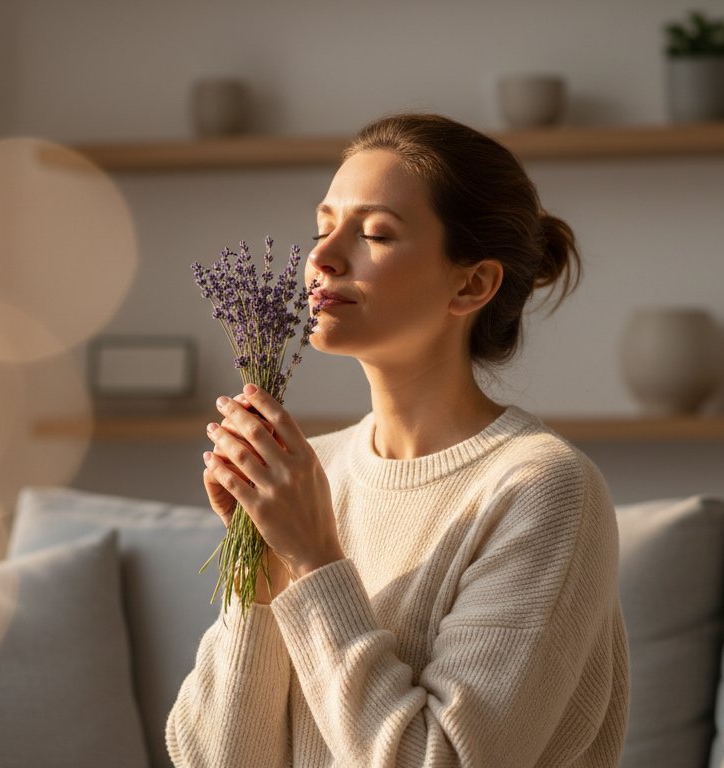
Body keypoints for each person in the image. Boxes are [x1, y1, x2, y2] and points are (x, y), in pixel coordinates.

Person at [166, 113, 629, 767]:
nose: (322, 258)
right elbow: (220, 758)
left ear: (471, 284)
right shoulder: (312, 474)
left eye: (375, 233)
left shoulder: (543, 489)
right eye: (323, 227)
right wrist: (262, 568)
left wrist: (315, 558)